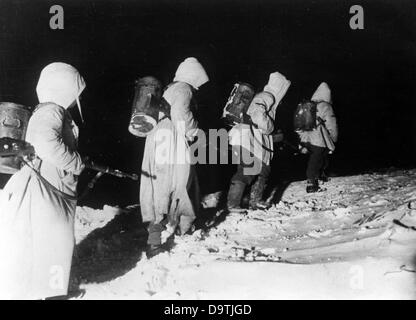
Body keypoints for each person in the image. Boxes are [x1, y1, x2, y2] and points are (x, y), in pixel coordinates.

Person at [0, 62, 86, 299]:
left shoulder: (46, 110)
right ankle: (52, 293)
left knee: (48, 240)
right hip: (48, 184)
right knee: (56, 240)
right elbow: (46, 144)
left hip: (47, 183)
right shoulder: (53, 111)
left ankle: (47, 290)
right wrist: (76, 162)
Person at [140, 57, 209, 258]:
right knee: (179, 184)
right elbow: (181, 114)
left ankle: (159, 235)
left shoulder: (170, 88)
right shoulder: (184, 89)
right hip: (172, 142)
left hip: (157, 139)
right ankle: (177, 230)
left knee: (158, 188)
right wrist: (194, 130)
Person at [227, 71, 291, 211]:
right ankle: (233, 204)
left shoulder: (266, 97)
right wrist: (270, 128)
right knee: (247, 170)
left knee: (263, 170)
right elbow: (258, 116)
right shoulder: (267, 96)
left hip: (249, 138)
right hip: (248, 139)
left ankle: (255, 201)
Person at [297, 82, 338, 193]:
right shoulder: (326, 106)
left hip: (305, 137)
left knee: (317, 157)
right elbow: (332, 124)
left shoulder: (308, 104)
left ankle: (319, 176)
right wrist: (333, 139)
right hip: (318, 137)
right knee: (316, 159)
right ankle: (311, 182)